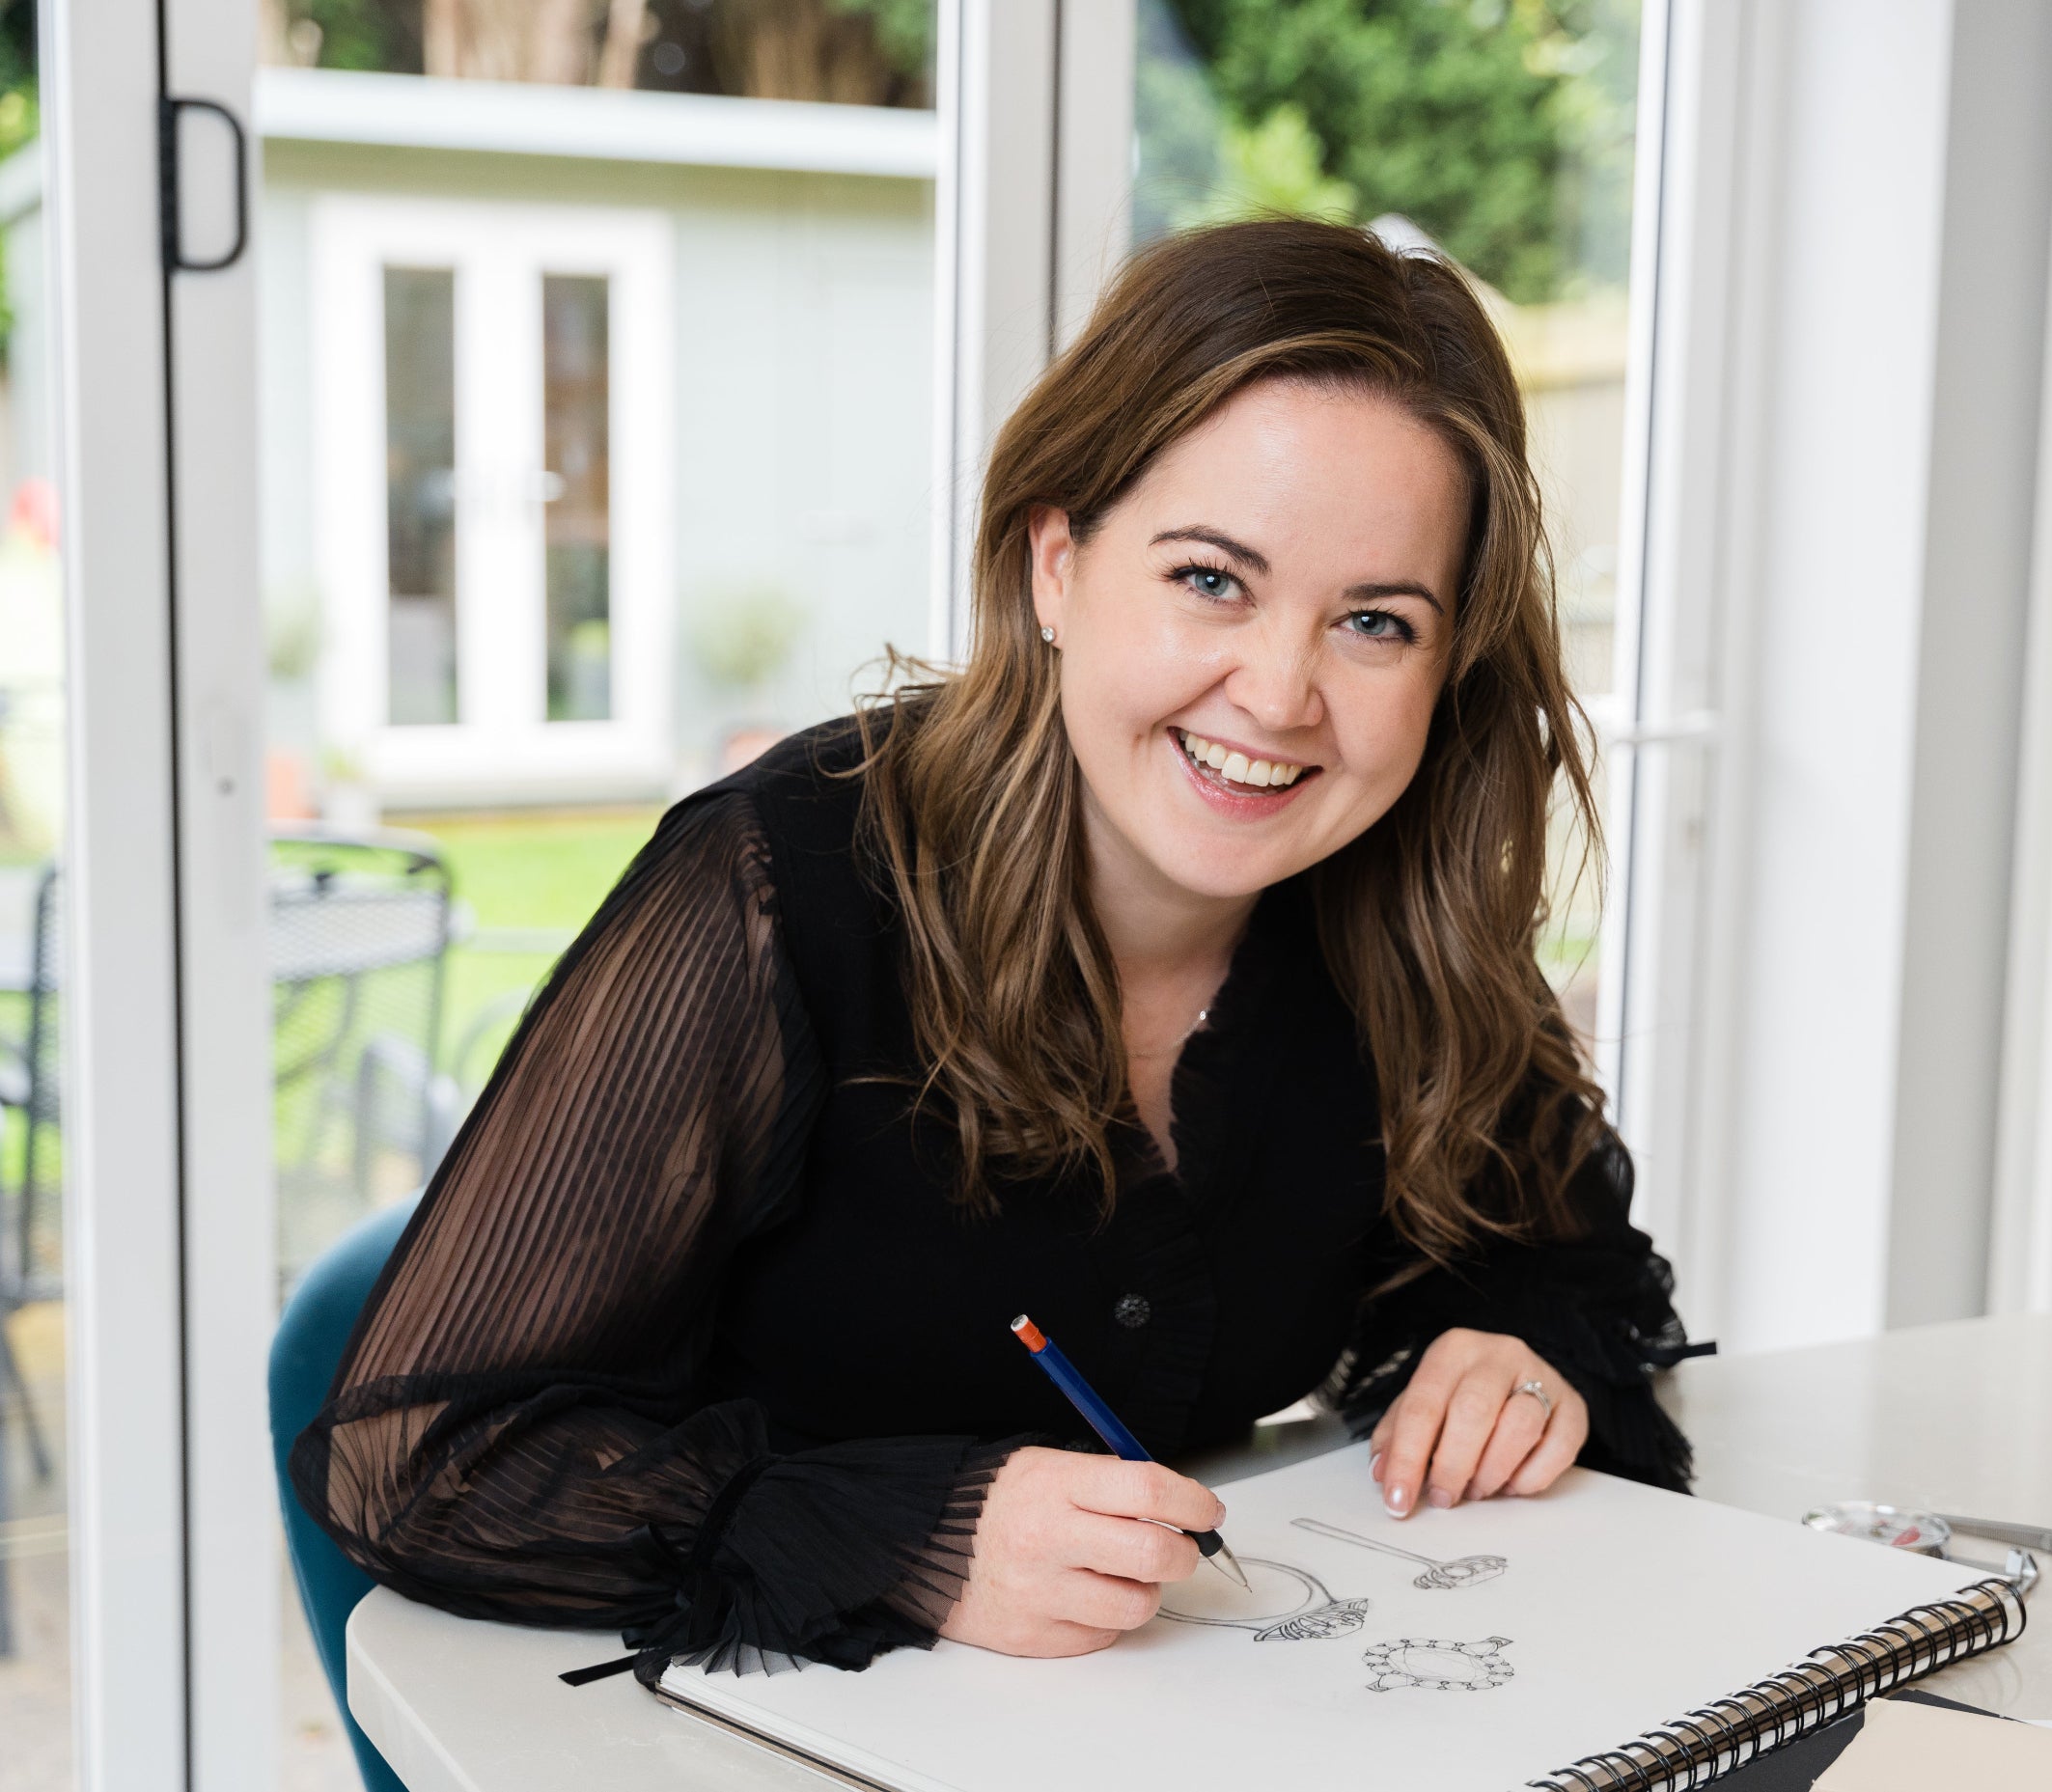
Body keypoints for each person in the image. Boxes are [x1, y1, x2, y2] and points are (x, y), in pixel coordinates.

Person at [291, 218, 1695, 1682]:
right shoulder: (781, 880)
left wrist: (1515, 1355)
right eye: (1211, 578)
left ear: (1444, 660)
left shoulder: (1398, 902)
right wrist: (915, 1529)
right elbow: (422, 1461)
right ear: (1055, 565)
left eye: (1374, 621)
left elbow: (1565, 1267)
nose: (1281, 694)